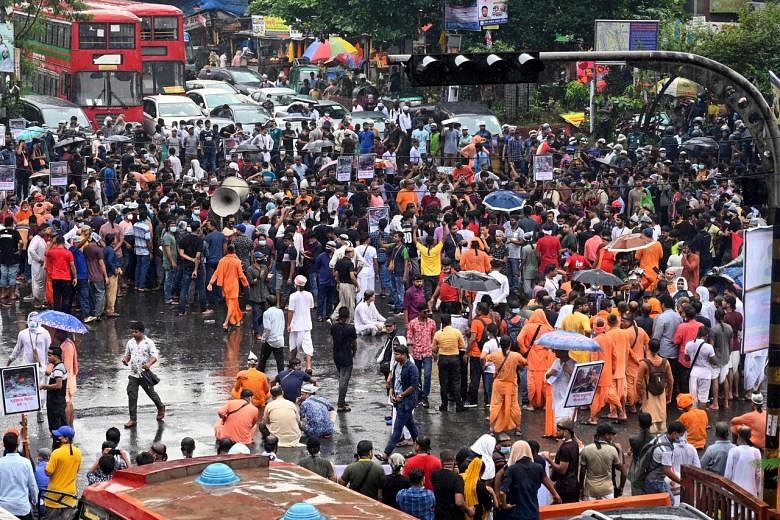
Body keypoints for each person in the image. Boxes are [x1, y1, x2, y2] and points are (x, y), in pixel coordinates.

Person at [378, 342, 419, 462]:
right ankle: (421, 449)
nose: (395, 356)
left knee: (397, 428)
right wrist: (391, 392)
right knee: (411, 426)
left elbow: (413, 386)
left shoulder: (412, 368)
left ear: (405, 355)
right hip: (398, 401)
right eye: (395, 354)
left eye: (398, 354)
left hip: (407, 402)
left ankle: (386, 454)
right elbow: (394, 382)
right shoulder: (397, 366)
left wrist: (402, 395)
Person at [500, 440, 561, 519]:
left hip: (517, 514)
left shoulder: (512, 469)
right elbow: (547, 481)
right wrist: (555, 494)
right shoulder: (538, 467)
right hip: (533, 512)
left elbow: (502, 492)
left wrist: (505, 505)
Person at [8, 312, 51, 422]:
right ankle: (24, 416)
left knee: (40, 390)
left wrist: (48, 366)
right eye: (30, 319)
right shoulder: (22, 334)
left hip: (41, 368)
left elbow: (48, 351)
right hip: (27, 367)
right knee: (25, 391)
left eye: (35, 319)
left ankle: (40, 411)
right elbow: (17, 349)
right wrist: (10, 361)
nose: (32, 322)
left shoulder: (45, 334)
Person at [121, 321, 165, 429]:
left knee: (151, 393)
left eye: (136, 332)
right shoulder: (130, 343)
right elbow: (127, 355)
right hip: (133, 374)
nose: (133, 334)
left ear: (142, 332)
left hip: (144, 374)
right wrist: (125, 360)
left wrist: (148, 364)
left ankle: (160, 406)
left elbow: (154, 356)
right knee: (132, 395)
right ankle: (133, 419)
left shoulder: (148, 343)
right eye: (132, 332)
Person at [482, 335, 526, 435]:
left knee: (495, 406)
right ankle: (518, 428)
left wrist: (484, 366)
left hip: (498, 385)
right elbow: (525, 362)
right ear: (510, 345)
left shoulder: (495, 355)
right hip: (511, 386)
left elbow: (484, 357)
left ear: (500, 344)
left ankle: (492, 429)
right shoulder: (515, 355)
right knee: (514, 406)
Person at [207, 243, 249, 331]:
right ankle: (226, 322)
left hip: (225, 286)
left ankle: (237, 320)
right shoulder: (237, 261)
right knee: (232, 305)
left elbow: (216, 272)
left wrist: (210, 283)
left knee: (233, 304)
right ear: (234, 251)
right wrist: (246, 284)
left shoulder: (222, 260)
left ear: (227, 251)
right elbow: (241, 275)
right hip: (234, 286)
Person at [579, 423, 625, 500]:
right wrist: (620, 450)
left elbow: (582, 472)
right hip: (607, 490)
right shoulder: (612, 450)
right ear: (606, 435)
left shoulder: (586, 449)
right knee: (607, 512)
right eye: (611, 434)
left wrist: (581, 487)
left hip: (590, 490)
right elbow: (620, 467)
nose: (612, 437)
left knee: (591, 511)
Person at [636, 338, 674, 433]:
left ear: (648, 348)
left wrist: (640, 396)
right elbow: (671, 381)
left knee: (650, 423)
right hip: (661, 394)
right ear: (659, 349)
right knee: (661, 422)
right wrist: (669, 395)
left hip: (648, 395)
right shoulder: (665, 362)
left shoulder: (644, 363)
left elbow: (638, 383)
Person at [45, 425, 82, 519]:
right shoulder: (78, 452)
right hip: (70, 494)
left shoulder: (56, 453)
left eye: (59, 436)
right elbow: (77, 470)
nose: (57, 438)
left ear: (66, 439)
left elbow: (48, 472)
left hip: (54, 494)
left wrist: (46, 466)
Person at [0, 430, 38, 520]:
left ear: (4, 445)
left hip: (4, 509)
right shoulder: (26, 462)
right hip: (22, 508)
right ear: (18, 444)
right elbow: (32, 486)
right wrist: (35, 501)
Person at [432, 313, 465, 412]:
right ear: (450, 321)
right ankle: (459, 405)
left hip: (442, 359)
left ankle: (444, 405)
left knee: (443, 382)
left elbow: (434, 349)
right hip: (454, 358)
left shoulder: (438, 334)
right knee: (456, 382)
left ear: (442, 322)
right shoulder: (456, 332)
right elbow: (462, 346)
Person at [541, 418, 579, 503]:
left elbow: (562, 470)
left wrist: (548, 459)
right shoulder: (574, 443)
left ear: (566, 432)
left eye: (558, 430)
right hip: (572, 485)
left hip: (565, 487)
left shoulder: (566, 448)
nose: (556, 432)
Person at [643, 421, 684, 495]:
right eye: (680, 435)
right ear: (674, 433)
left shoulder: (660, 437)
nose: (680, 438)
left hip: (649, 475)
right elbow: (667, 471)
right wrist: (681, 482)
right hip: (655, 481)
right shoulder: (666, 451)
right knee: (669, 502)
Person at [407, 305, 436, 408]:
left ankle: (425, 396)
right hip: (416, 352)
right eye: (424, 312)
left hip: (427, 352)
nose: (426, 314)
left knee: (427, 375)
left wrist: (434, 351)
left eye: (427, 312)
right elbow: (410, 338)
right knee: (417, 375)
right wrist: (410, 353)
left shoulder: (432, 323)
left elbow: (433, 337)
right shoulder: (413, 323)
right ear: (419, 312)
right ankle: (418, 396)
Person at [330, 306, 357, 412]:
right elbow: (354, 343)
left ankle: (342, 399)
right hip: (346, 355)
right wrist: (354, 353)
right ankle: (340, 404)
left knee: (342, 377)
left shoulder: (333, 327)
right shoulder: (350, 328)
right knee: (344, 381)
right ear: (348, 316)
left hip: (336, 355)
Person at [724, 426, 762, 498]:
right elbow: (758, 475)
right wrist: (757, 490)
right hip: (751, 493)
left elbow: (728, 474)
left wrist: (726, 490)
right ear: (750, 436)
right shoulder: (756, 452)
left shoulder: (733, 451)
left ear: (739, 436)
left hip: (735, 491)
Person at [287, 274, 315, 373]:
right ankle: (308, 366)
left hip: (295, 325)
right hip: (306, 324)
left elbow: (290, 311)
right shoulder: (309, 295)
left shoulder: (293, 296)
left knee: (293, 345)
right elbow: (311, 307)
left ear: (296, 284)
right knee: (308, 346)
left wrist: (288, 324)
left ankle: (292, 365)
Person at [41, 345, 68, 436]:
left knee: (56, 427)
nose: (48, 357)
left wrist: (45, 386)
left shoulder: (58, 369)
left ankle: (57, 444)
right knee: (61, 424)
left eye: (49, 355)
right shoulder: (59, 366)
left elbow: (58, 385)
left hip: (56, 403)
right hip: (58, 402)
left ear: (56, 357)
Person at [259, 294, 286, 374]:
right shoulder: (280, 311)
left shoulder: (266, 313)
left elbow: (267, 328)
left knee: (263, 359)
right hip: (279, 339)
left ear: (267, 303)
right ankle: (282, 378)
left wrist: (263, 338)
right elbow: (283, 324)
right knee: (280, 362)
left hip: (270, 340)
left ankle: (260, 375)